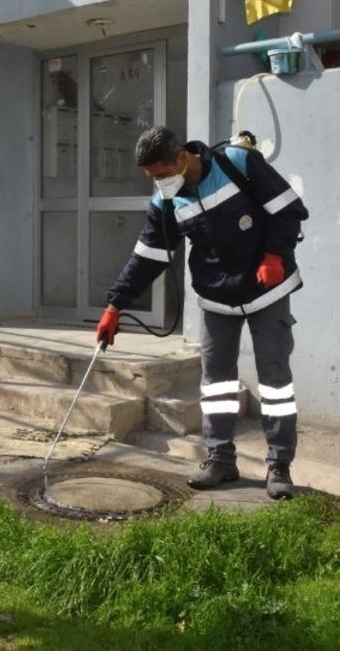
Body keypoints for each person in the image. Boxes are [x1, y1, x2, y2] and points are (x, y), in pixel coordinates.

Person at [96, 126, 308, 500]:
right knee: (217, 384)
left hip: (266, 289)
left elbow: (288, 210)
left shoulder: (237, 163)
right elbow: (149, 256)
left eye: (163, 173)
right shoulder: (167, 200)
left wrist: (275, 254)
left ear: (182, 157)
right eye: (152, 178)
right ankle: (221, 460)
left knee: (275, 382)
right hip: (216, 295)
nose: (160, 182)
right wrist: (116, 305)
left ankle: (279, 466)